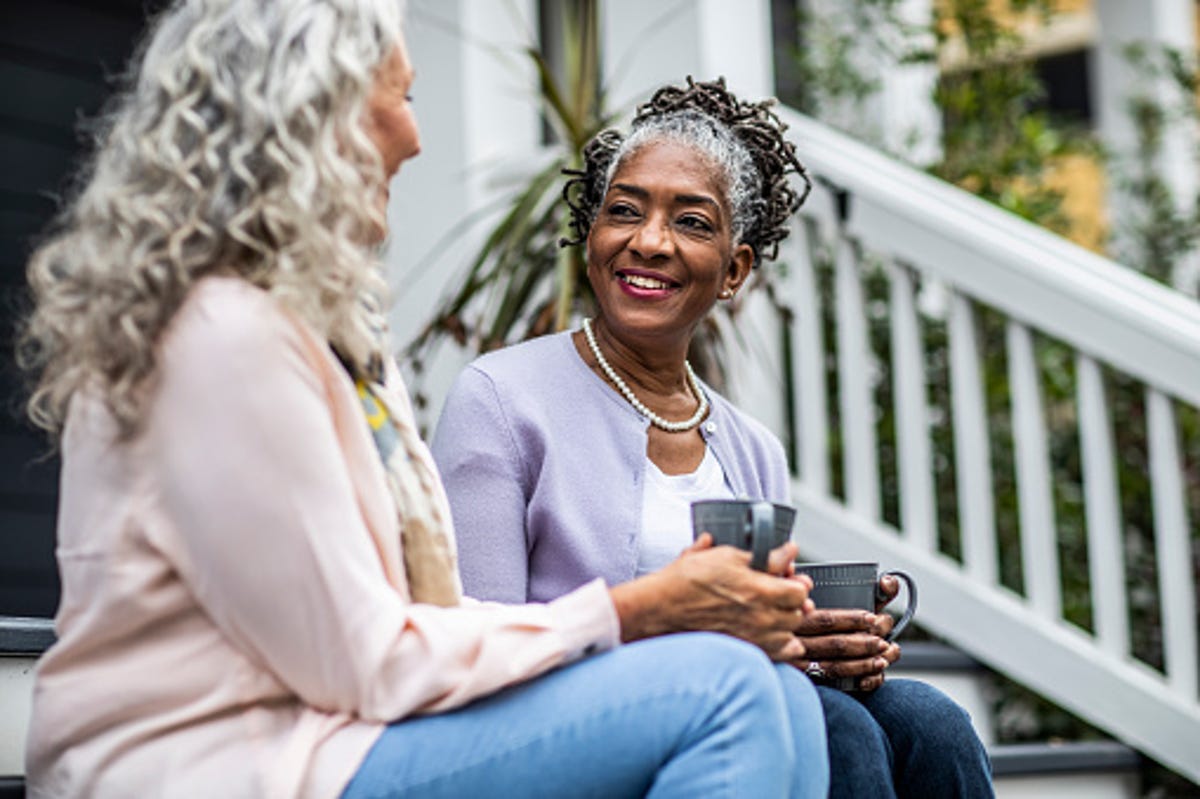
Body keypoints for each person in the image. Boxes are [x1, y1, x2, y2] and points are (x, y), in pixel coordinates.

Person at [16, 4, 830, 797]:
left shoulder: (322, 330)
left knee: (788, 694)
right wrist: (637, 609)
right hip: (214, 760)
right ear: (313, 113)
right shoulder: (222, 336)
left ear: (737, 268)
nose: (414, 136)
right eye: (400, 97)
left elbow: (401, 627)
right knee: (725, 689)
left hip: (331, 734)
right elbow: (365, 660)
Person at [432, 77, 995, 799]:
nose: (649, 241)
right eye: (624, 211)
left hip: (736, 702)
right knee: (836, 728)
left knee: (930, 719)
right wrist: (711, 635)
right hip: (565, 727)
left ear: (735, 270)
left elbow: (754, 643)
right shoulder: (502, 399)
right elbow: (480, 644)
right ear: (592, 237)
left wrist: (813, 642)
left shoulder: (751, 447)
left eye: (692, 222)